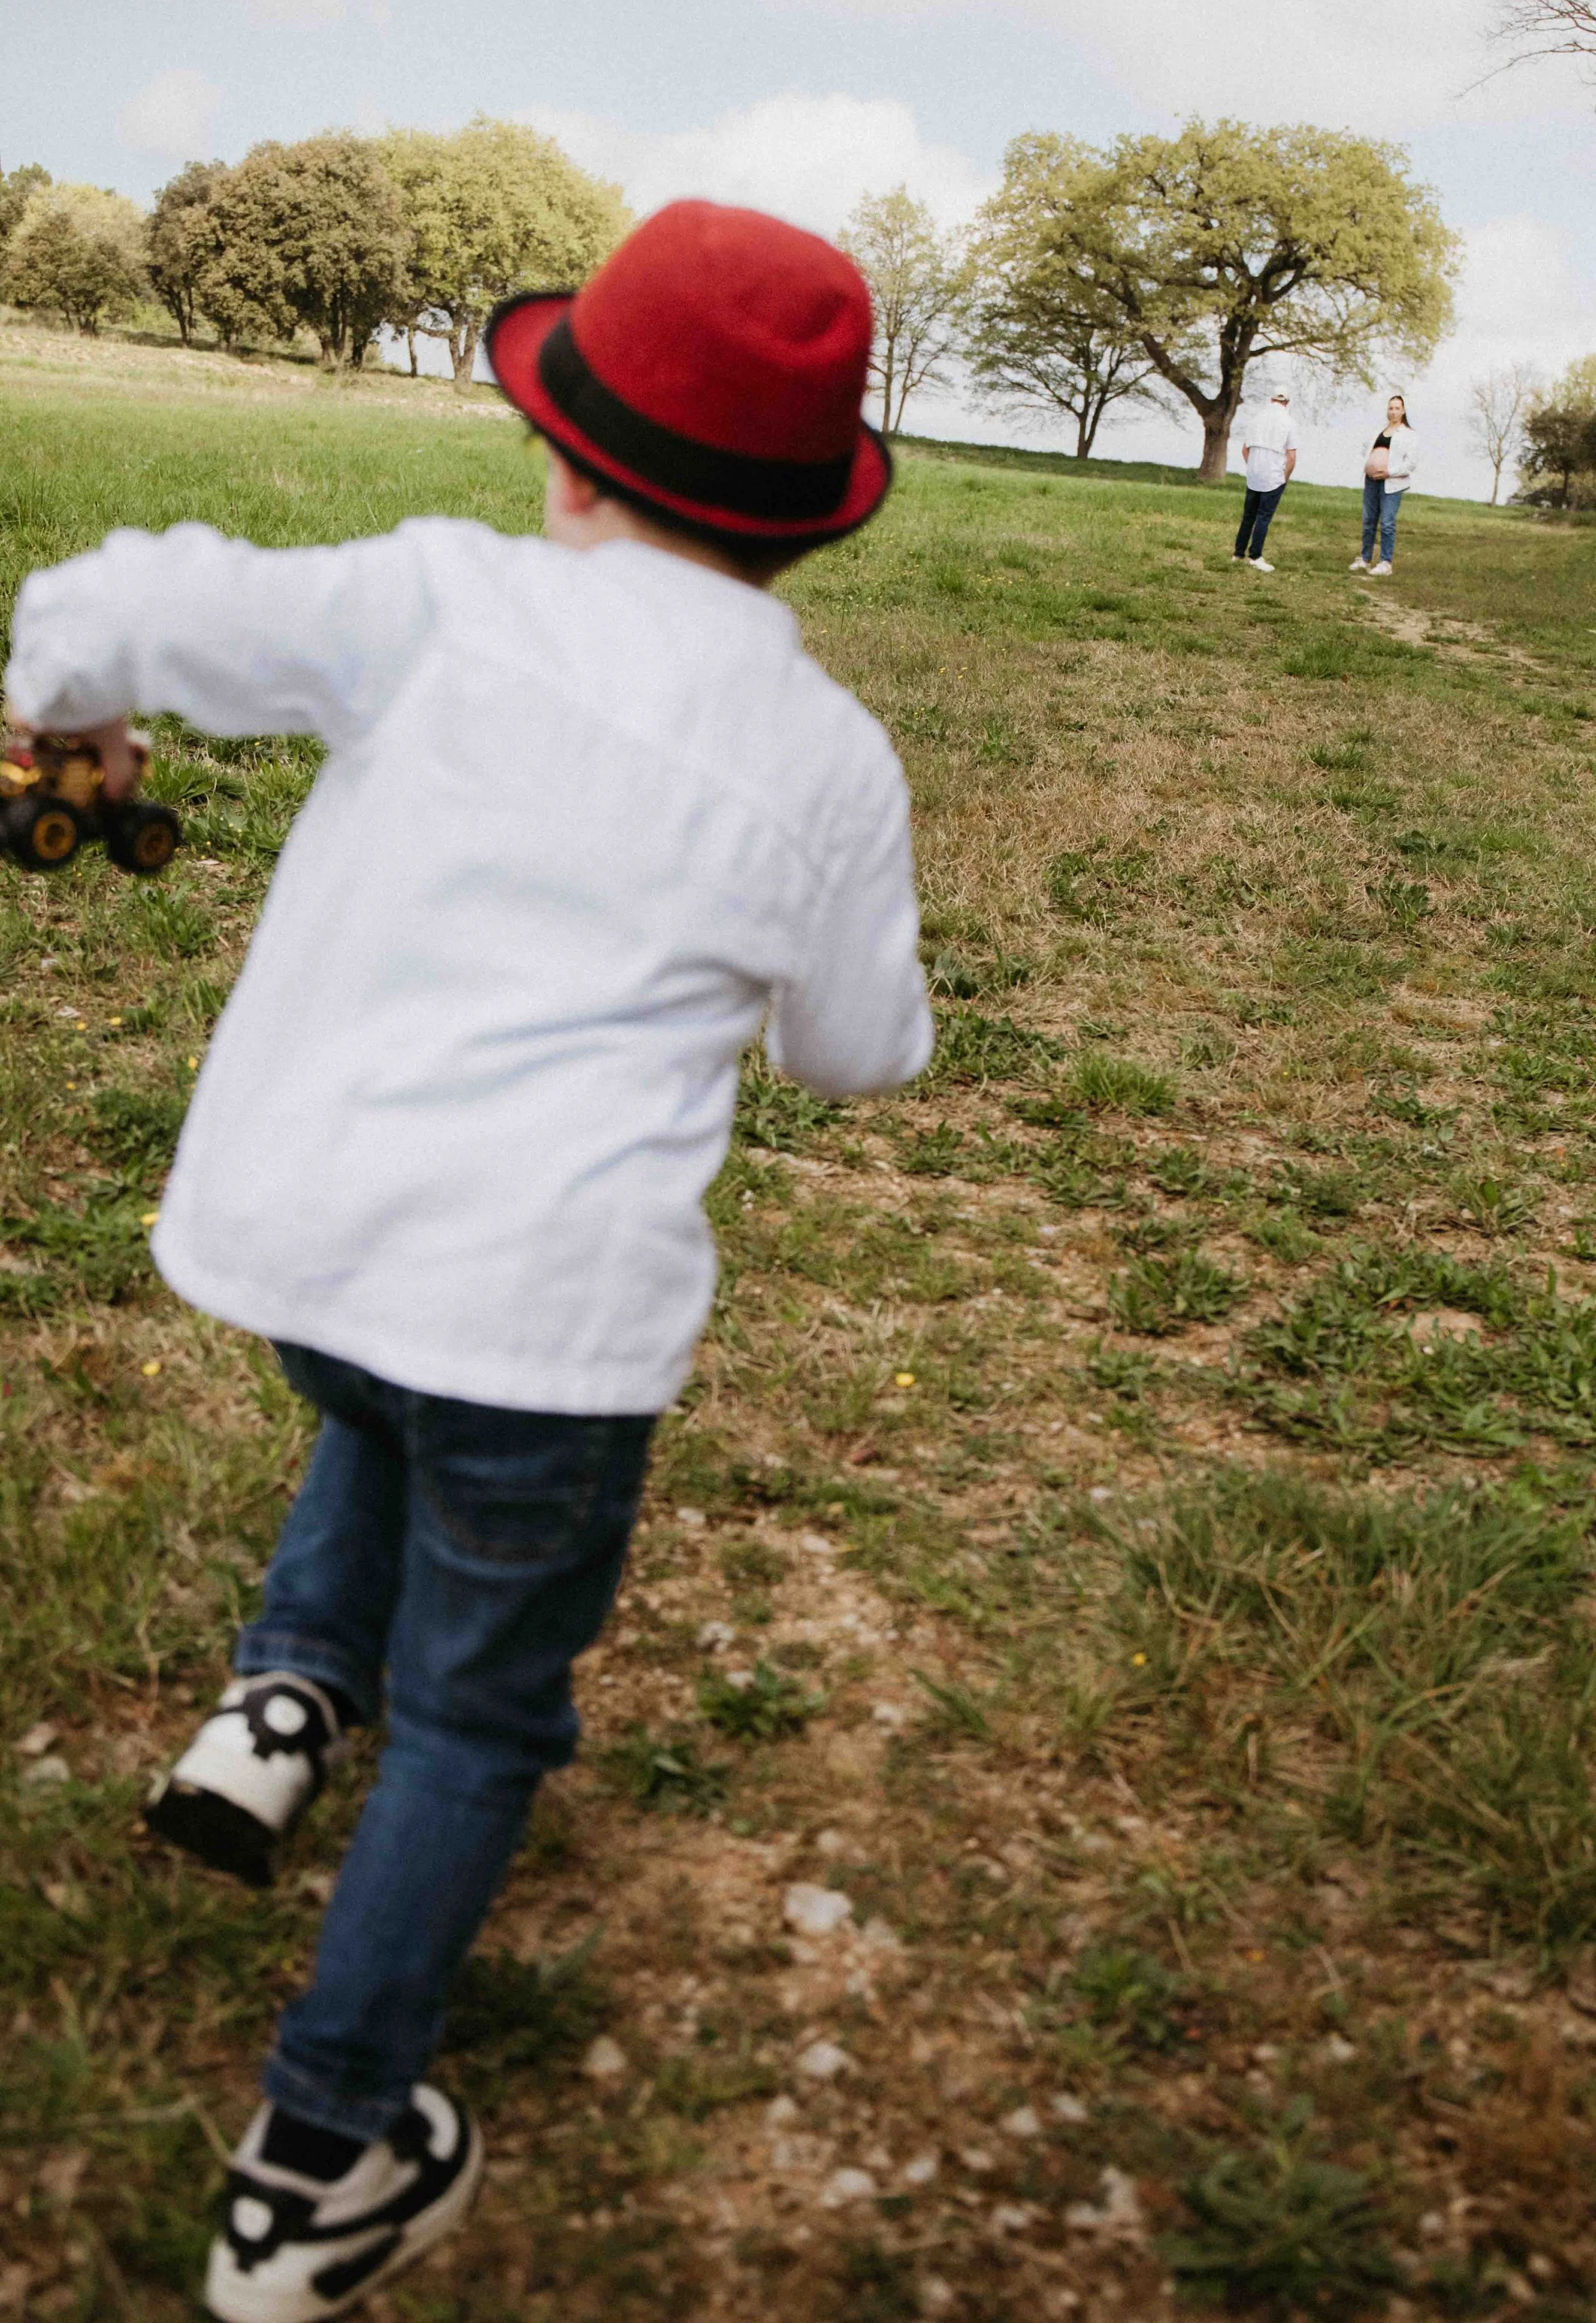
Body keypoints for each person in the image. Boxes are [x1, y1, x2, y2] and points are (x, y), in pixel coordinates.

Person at [4, 201, 933, 2323]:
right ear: (807, 524)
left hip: (305, 1241)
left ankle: (271, 1702)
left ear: (566, 448)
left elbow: (110, 597)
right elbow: (857, 1050)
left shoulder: (431, 605)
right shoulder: (826, 760)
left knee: (385, 1392)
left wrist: (74, 708)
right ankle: (318, 2163)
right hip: (551, 1316)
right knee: (480, 1710)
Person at [1351, 392, 1419, 575]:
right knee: (1368, 521)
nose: (1393, 412)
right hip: (1372, 481)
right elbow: (1364, 452)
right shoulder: (1378, 432)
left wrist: (1389, 472)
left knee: (1387, 522)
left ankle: (1385, 563)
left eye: (1397, 408)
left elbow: (1411, 464)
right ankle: (1365, 559)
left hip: (1392, 484)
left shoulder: (1409, 435)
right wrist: (1367, 467)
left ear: (1403, 411)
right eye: (1391, 408)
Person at [1232, 385, 1299, 571]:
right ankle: (1255, 556)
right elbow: (1292, 457)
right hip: (1274, 477)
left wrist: (1253, 467)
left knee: (1248, 516)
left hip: (1254, 474)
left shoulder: (1256, 419)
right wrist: (1285, 478)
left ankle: (1238, 554)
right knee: (1263, 517)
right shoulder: (1290, 422)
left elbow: (1245, 449)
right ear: (1287, 403)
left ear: (1271, 400)